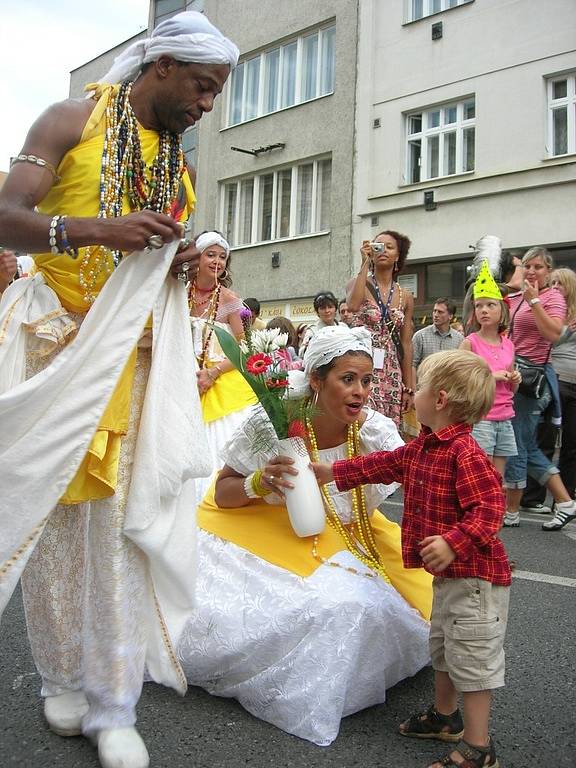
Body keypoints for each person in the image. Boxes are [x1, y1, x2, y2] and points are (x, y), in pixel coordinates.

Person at [0, 11, 238, 768]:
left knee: (117, 536)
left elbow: (152, 255)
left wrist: (164, 264)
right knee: (51, 532)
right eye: (202, 88)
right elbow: (7, 218)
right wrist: (101, 230)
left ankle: (114, 703)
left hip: (130, 363)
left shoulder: (182, 167)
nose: (206, 106)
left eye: (215, 95)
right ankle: (60, 680)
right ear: (161, 65)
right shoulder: (72, 118)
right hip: (52, 352)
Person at [177, 325, 432, 746]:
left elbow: (421, 475)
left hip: (354, 533)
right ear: (315, 380)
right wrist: (259, 483)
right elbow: (224, 491)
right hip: (270, 530)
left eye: (366, 381)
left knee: (417, 602)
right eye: (347, 379)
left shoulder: (373, 431)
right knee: (337, 609)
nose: (360, 392)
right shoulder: (273, 417)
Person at [313, 349, 511, 768]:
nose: (410, 392)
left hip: (474, 579)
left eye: (418, 386)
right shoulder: (424, 447)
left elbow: (491, 509)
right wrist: (335, 473)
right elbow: (385, 463)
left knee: (472, 658)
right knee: (443, 647)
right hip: (451, 578)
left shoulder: (465, 453)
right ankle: (444, 717)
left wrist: (455, 541)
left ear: (438, 400)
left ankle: (479, 747)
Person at [503, 248, 576, 530]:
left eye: (538, 267)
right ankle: (566, 502)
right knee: (526, 444)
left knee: (518, 444)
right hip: (515, 375)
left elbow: (554, 335)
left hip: (533, 381)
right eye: (528, 266)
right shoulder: (518, 293)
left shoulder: (552, 297)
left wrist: (534, 301)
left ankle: (511, 510)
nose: (532, 272)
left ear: (548, 271)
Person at [189, 231, 257, 503]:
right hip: (183, 378)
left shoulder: (230, 299)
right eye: (211, 255)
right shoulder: (179, 293)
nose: (217, 261)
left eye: (222, 257)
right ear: (197, 257)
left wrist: (214, 372)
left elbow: (247, 347)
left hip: (222, 380)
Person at [346, 231, 415, 427]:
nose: (383, 250)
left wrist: (408, 387)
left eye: (389, 247)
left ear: (398, 256)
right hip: (361, 363)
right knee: (361, 422)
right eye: (378, 246)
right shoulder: (359, 283)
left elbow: (406, 343)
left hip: (391, 369)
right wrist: (364, 263)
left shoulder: (406, 296)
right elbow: (352, 305)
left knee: (388, 427)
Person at [460, 260, 520, 476]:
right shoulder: (470, 342)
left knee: (498, 478)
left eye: (490, 305)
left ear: (501, 310)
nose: (483, 310)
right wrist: (490, 376)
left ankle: (497, 511)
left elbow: (511, 391)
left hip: (505, 418)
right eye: (479, 305)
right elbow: (460, 382)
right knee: (481, 476)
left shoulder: (509, 345)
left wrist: (515, 380)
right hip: (482, 417)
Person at [549, 268, 576, 500]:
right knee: (545, 439)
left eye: (561, 283)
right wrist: (566, 332)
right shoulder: (549, 311)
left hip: (573, 381)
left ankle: (567, 492)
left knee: (571, 442)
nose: (556, 287)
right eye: (553, 283)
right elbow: (547, 342)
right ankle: (533, 496)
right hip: (555, 380)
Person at [412, 298, 464, 378]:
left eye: (440, 312)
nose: (436, 315)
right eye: (434, 311)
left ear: (450, 316)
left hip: (449, 387)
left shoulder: (459, 339)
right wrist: (414, 389)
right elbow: (412, 365)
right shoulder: (420, 336)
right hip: (425, 386)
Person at [298, 290, 339, 354]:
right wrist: (308, 348)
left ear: (335, 309)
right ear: (317, 312)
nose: (327, 311)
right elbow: (301, 354)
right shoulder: (312, 331)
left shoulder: (343, 327)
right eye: (323, 308)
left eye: (330, 307)